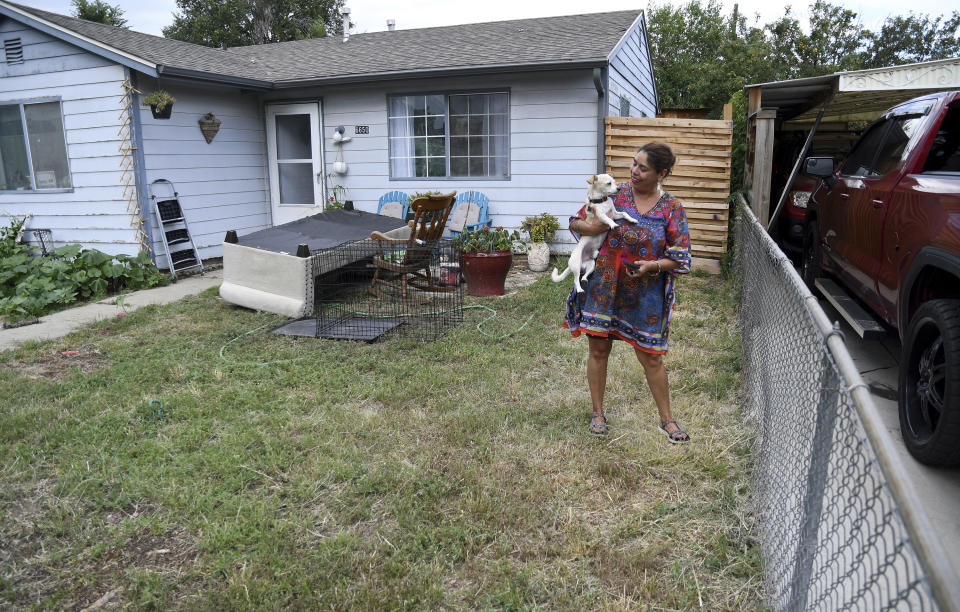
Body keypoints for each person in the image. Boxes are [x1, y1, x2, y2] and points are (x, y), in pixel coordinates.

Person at [563, 142, 692, 442]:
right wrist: (591, 228)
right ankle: (597, 413)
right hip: (603, 289)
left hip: (645, 297)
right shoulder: (614, 192)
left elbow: (682, 256)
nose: (634, 171)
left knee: (652, 358)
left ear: (661, 174)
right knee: (598, 350)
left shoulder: (672, 208)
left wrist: (654, 266)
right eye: (633, 164)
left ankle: (667, 419)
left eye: (643, 168)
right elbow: (574, 221)